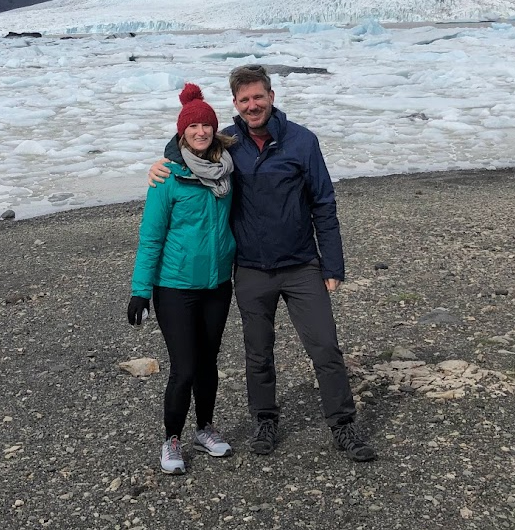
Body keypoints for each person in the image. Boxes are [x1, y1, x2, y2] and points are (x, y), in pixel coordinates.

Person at [149, 64, 375, 462]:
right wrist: (157, 165)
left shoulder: (303, 142)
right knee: (258, 353)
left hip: (302, 264)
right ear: (235, 104)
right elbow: (188, 148)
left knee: (325, 348)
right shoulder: (229, 143)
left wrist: (333, 265)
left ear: (271, 96)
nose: (252, 105)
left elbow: (323, 203)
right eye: (244, 99)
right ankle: (265, 420)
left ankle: (343, 425)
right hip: (252, 268)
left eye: (258, 97)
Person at [127, 83, 237, 475]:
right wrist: (141, 290)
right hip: (174, 287)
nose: (201, 132)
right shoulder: (167, 178)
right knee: (185, 367)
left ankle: (204, 429)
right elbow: (151, 236)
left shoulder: (228, 169)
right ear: (182, 133)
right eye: (193, 127)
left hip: (217, 285)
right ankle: (171, 439)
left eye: (207, 125)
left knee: (209, 364)